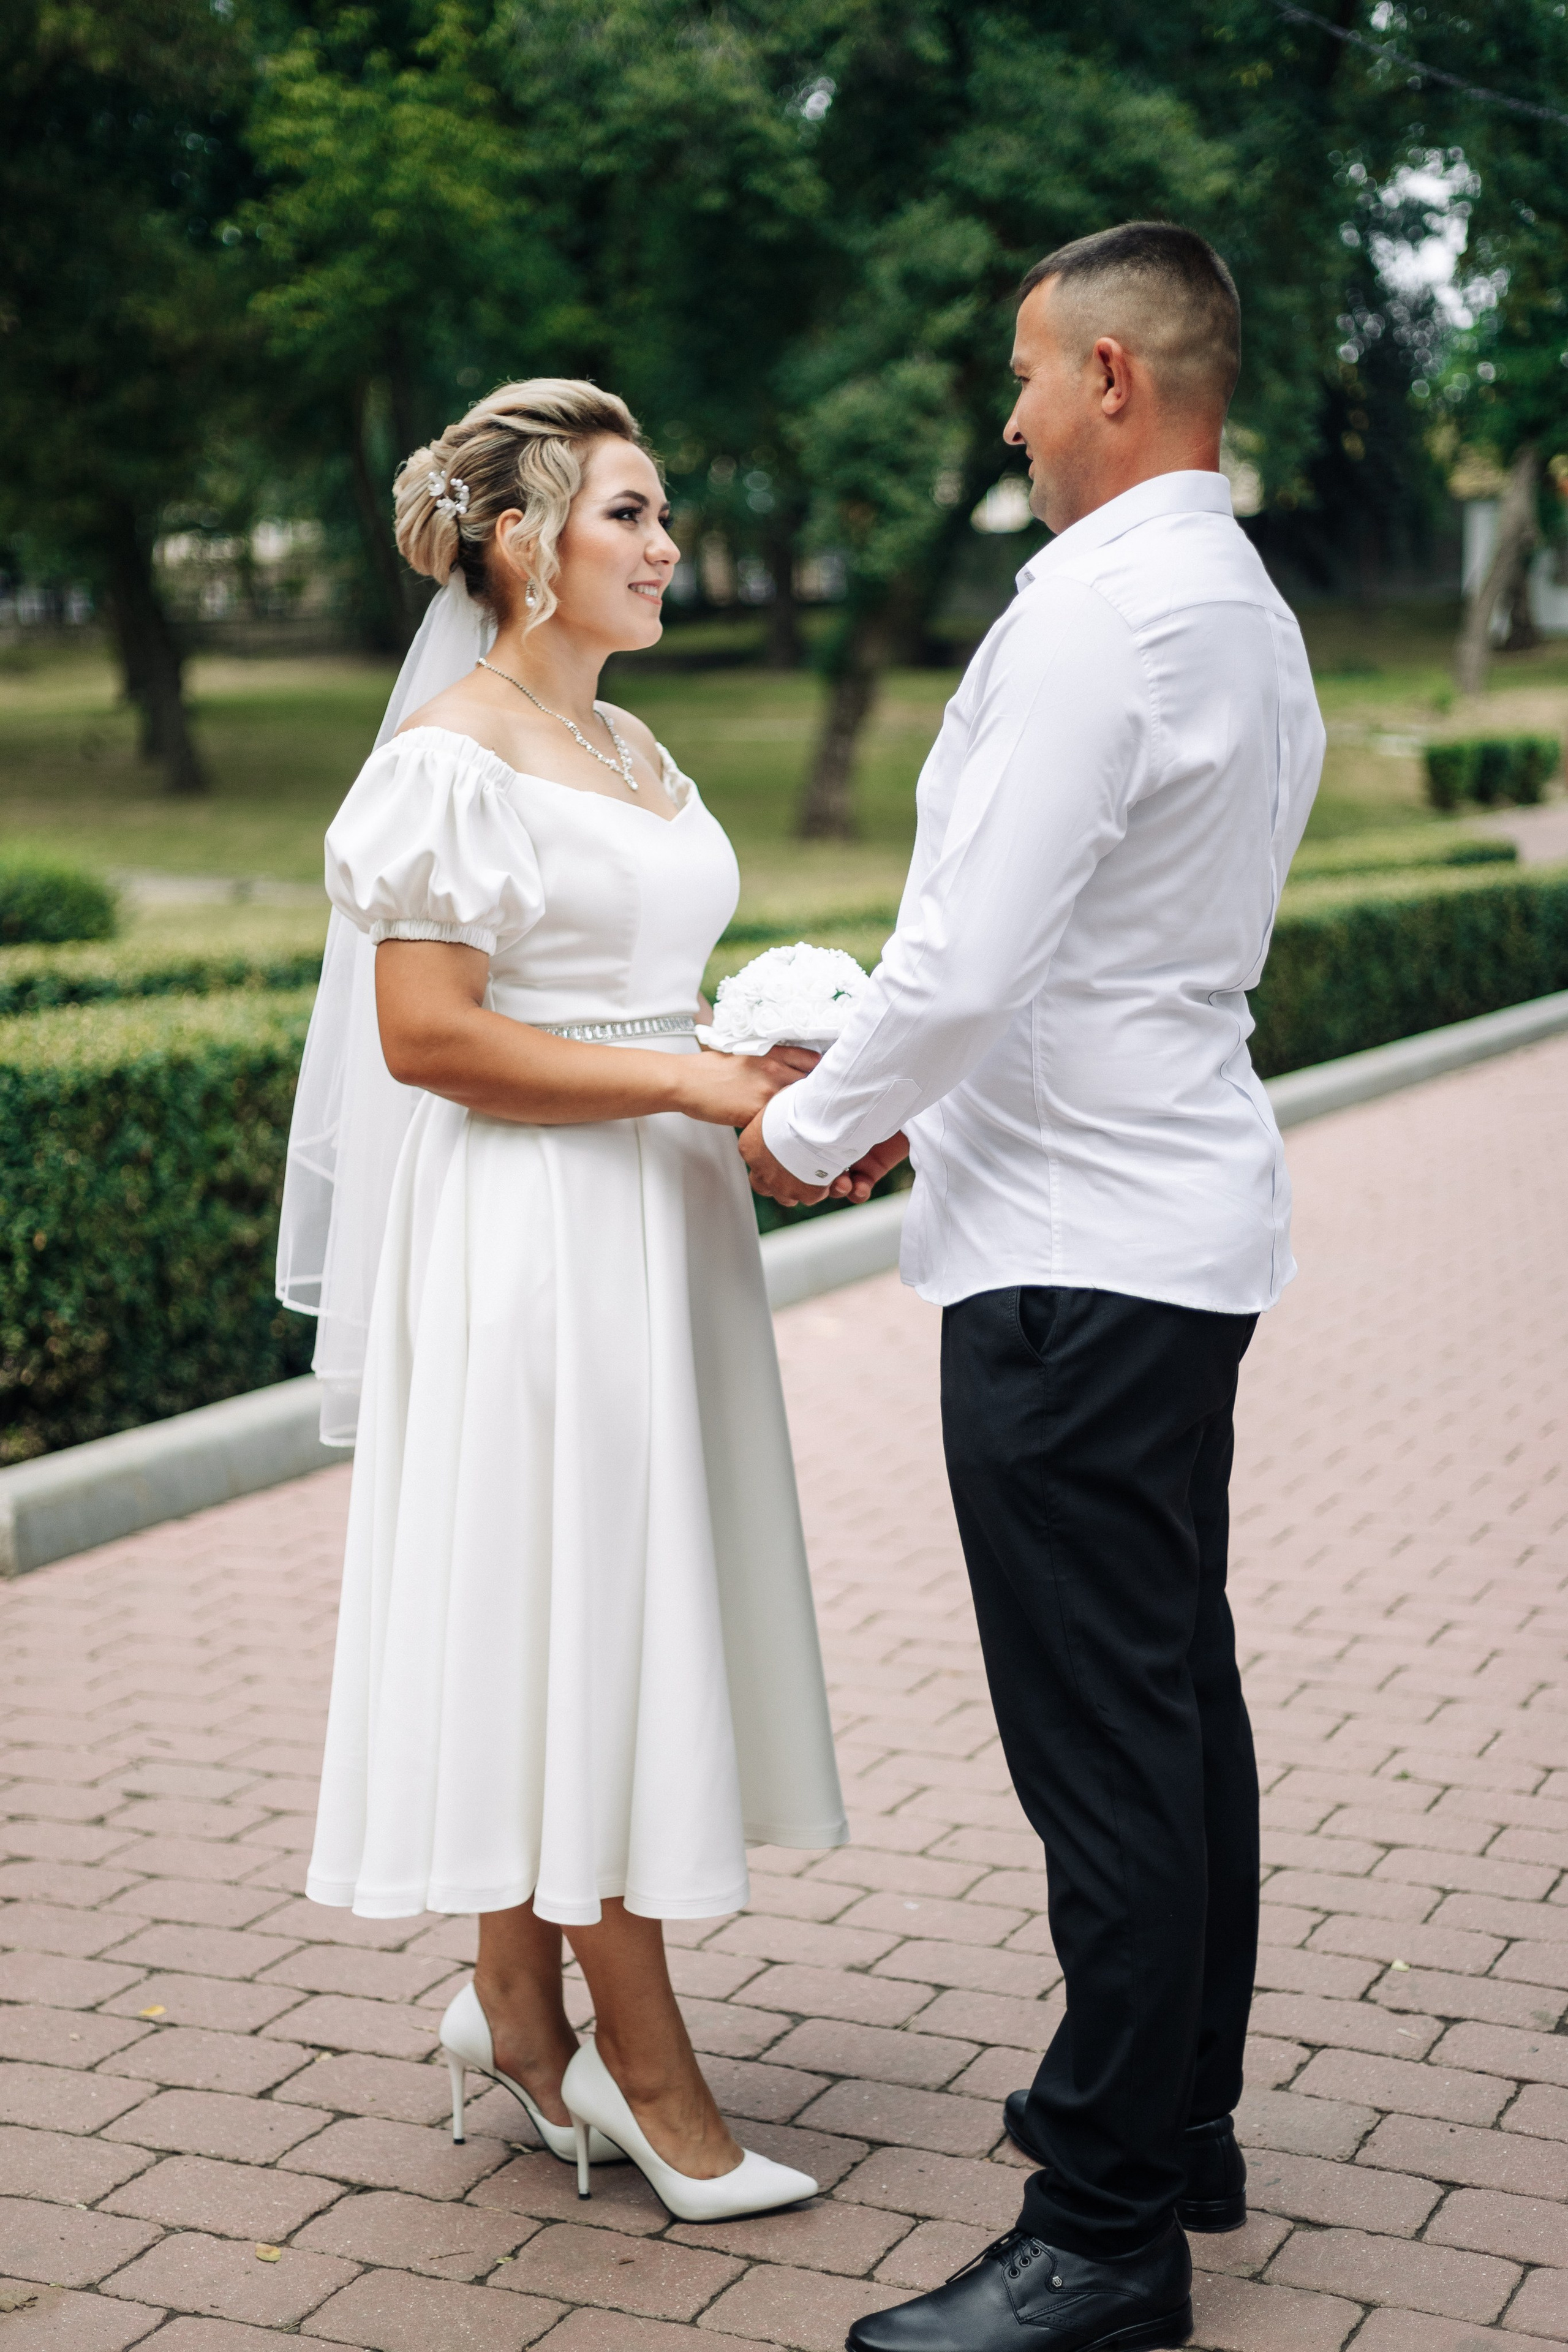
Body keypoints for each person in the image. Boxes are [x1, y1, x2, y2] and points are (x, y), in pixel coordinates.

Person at [740, 225, 1325, 2350]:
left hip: (1075, 1258)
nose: (1003, 418)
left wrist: (805, 1126)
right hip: (1174, 1226)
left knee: (1104, 1745)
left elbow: (969, 962)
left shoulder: (1105, 611)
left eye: (1017, 377)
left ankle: (1103, 2236)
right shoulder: (1241, 605)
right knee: (1174, 1699)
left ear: (1106, 373)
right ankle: (1181, 2125)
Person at [278, 379, 846, 2224]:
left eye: (661, 512)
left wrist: (754, 1054)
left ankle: (517, 2011)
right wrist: (693, 1084)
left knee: (573, 1602)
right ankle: (646, 2072)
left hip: (655, 1229)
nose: (668, 544)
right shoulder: (451, 754)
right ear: (523, 546)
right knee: (584, 1605)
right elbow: (428, 1036)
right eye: (632, 513)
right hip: (533, 1238)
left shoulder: (630, 747)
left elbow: (620, 984)